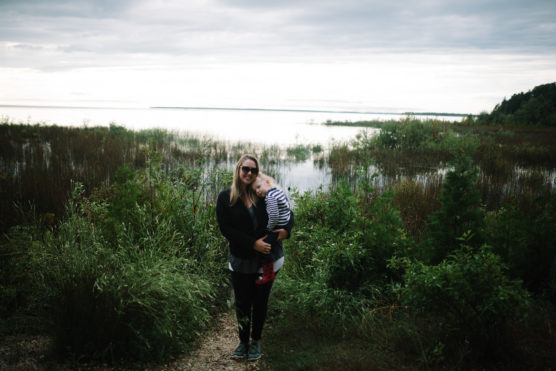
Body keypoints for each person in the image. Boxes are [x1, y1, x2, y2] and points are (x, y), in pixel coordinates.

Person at [216, 154, 294, 361]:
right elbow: (226, 228)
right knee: (242, 302)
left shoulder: (263, 192)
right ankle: (243, 341)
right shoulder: (226, 197)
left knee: (260, 301)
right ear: (238, 170)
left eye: (253, 170)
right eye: (245, 169)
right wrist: (253, 244)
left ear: (257, 173)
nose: (249, 173)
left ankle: (256, 341)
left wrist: (285, 232)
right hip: (241, 260)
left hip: (269, 260)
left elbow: (288, 213)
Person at [251, 173, 291, 285]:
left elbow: (273, 215)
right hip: (281, 225)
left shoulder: (270, 196)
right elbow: (288, 209)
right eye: (255, 190)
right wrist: (286, 224)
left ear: (268, 182)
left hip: (275, 229)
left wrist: (270, 228)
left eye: (259, 187)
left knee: (265, 248)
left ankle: (268, 275)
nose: (258, 192)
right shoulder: (279, 192)